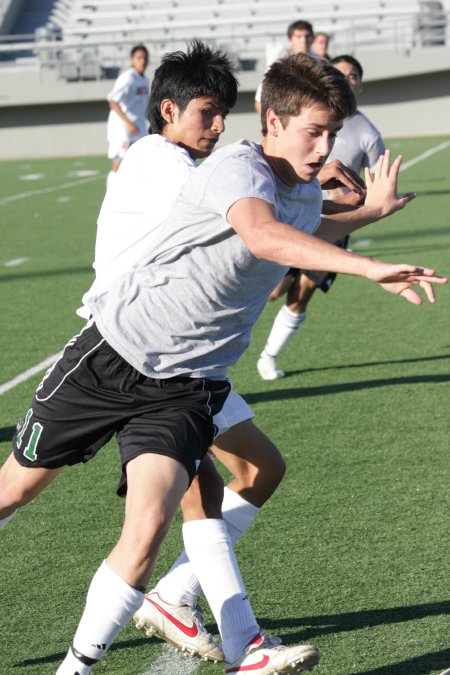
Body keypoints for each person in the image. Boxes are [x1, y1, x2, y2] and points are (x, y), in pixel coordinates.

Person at [0, 53, 445, 675]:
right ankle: (230, 634)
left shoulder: (290, 189)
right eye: (313, 131)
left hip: (188, 384)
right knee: (13, 491)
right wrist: (371, 265)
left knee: (154, 520)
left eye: (332, 134)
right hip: (118, 353)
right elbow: (263, 234)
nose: (324, 147)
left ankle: (86, 665)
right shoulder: (232, 166)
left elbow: (303, 217)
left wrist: (370, 212)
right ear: (271, 120)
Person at [257, 54, 386, 381]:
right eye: (343, 74)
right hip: (293, 216)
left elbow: (376, 183)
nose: (324, 146)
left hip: (330, 227)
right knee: (272, 292)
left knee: (302, 294)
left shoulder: (368, 132)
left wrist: (360, 200)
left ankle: (269, 356)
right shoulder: (302, 116)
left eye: (354, 75)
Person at [106, 44, 150, 188]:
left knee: (144, 160)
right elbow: (113, 101)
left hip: (138, 127)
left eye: (144, 58)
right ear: (132, 60)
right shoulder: (127, 78)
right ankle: (110, 198)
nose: (142, 61)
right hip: (122, 129)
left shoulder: (144, 79)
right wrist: (128, 123)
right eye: (139, 58)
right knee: (119, 164)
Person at [254, 20, 314, 114]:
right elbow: (259, 101)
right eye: (298, 37)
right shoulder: (278, 65)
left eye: (307, 36)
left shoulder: (322, 64)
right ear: (290, 40)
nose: (304, 40)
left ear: (312, 38)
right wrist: (271, 125)